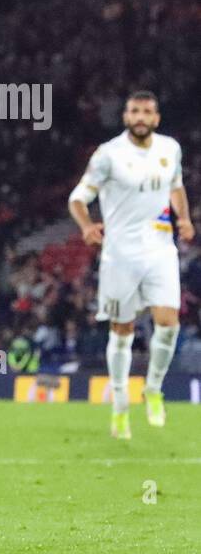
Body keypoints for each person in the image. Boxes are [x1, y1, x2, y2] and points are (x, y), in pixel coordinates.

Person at [68, 90, 193, 439]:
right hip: (120, 255)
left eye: (147, 112)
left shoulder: (170, 149)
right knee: (122, 330)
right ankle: (120, 406)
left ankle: (153, 389)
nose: (140, 117)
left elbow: (176, 187)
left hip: (160, 250)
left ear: (156, 118)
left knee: (168, 323)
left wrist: (184, 218)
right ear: (125, 117)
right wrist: (86, 226)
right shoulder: (109, 154)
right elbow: (78, 198)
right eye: (135, 111)